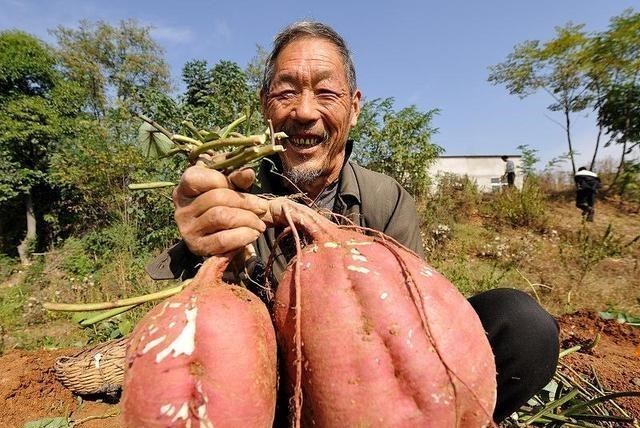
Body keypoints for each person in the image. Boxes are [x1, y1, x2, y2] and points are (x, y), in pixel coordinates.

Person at [147, 21, 559, 423]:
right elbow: (209, 325)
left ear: (354, 107)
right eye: (286, 93)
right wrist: (205, 246)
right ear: (264, 107)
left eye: (326, 93)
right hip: (275, 377)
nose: (305, 112)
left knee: (522, 326)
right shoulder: (236, 191)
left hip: (372, 376)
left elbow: (412, 320)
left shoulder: (385, 197)